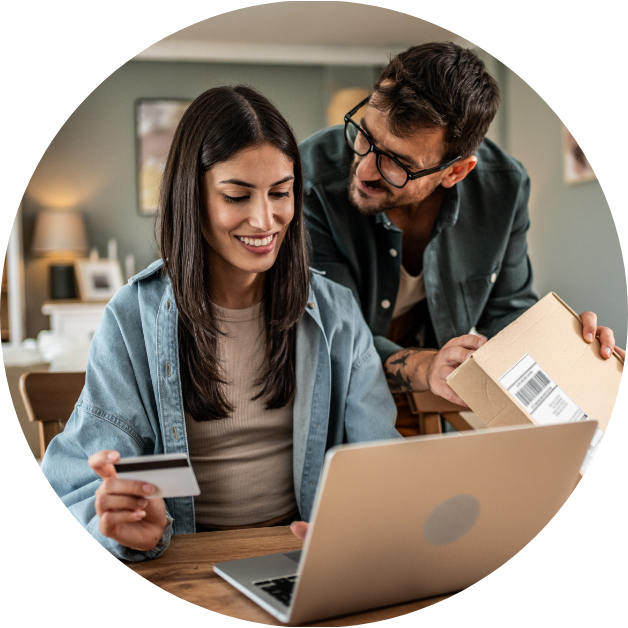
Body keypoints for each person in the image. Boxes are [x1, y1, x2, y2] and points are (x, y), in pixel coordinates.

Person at [41, 85, 402, 560]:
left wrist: (363, 522)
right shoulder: (133, 317)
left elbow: (379, 459)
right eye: (236, 196)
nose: (264, 219)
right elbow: (82, 485)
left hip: (303, 551)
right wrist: (126, 525)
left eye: (281, 193)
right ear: (192, 198)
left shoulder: (334, 312)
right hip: (184, 555)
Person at [300, 42, 625, 408]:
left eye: (397, 162)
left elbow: (507, 310)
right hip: (333, 395)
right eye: (365, 135)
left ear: (455, 171)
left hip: (438, 400)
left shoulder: (505, 186)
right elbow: (333, 333)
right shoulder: (311, 180)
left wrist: (567, 348)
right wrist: (426, 367)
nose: (364, 170)